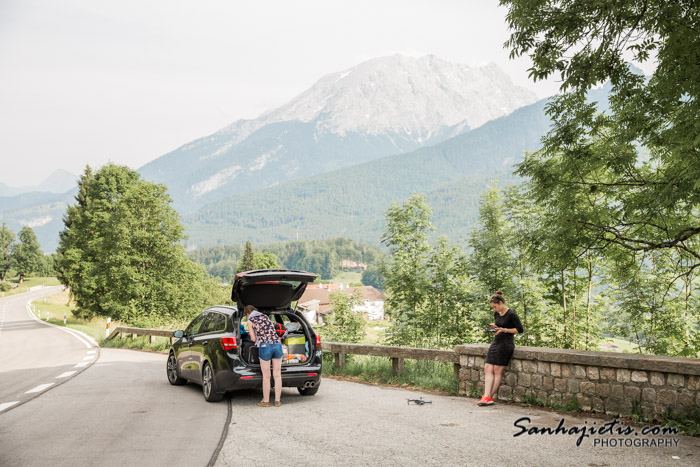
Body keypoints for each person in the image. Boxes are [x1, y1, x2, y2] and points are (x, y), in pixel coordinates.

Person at [478, 290, 523, 406]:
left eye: (495, 306)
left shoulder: (511, 314)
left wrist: (504, 330)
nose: (494, 309)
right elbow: (500, 326)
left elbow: (519, 330)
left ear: (501, 302)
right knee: (488, 367)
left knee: (497, 370)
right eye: (493, 307)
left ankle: (489, 397)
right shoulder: (496, 314)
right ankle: (486, 396)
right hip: (496, 342)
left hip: (506, 344)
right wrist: (496, 327)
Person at [244, 305, 284, 407]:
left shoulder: (250, 321)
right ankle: (277, 401)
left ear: (247, 314)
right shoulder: (266, 316)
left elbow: (253, 339)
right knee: (277, 374)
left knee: (266, 376)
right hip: (277, 344)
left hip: (265, 346)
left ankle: (266, 401)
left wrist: (252, 334)